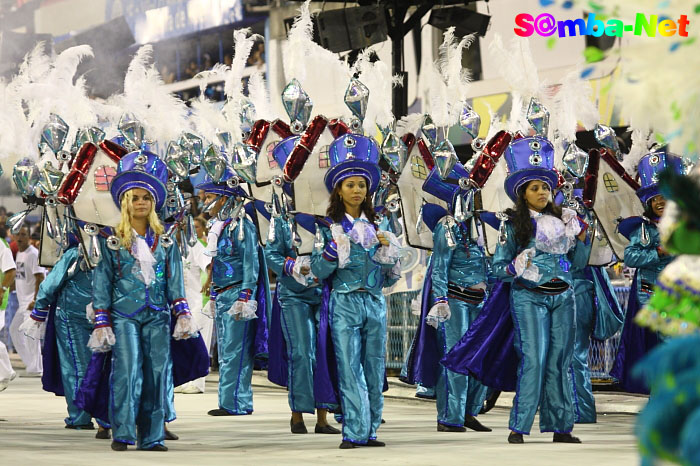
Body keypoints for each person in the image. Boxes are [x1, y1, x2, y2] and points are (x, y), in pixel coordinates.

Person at [87, 151, 196, 451]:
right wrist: (101, 319)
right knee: (128, 369)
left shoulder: (167, 240)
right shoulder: (112, 241)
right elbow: (103, 282)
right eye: (135, 198)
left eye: (146, 197)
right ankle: (122, 431)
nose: (141, 203)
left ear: (154, 202)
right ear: (125, 202)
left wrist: (182, 312)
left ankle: (152, 436)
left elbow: (175, 282)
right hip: (124, 315)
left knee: (158, 374)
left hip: (158, 315)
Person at [491, 136, 588, 444]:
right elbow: (497, 269)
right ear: (523, 193)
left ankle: (562, 427)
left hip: (564, 296)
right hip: (528, 297)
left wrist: (584, 238)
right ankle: (519, 426)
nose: (543, 192)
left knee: (561, 360)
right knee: (534, 358)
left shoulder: (565, 219)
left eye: (546, 187)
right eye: (535, 188)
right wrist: (514, 267)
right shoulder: (511, 224)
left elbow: (578, 264)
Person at [311, 133, 401, 448]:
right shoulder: (329, 228)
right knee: (349, 367)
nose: (357, 190)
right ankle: (353, 430)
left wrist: (388, 257)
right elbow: (318, 272)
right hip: (345, 302)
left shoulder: (379, 228)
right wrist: (332, 253)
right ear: (338, 189)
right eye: (350, 184)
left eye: (362, 184)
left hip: (375, 304)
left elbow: (389, 279)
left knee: (375, 368)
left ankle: (371, 429)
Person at [403, 163, 490, 433]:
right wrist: (440, 300)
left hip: (481, 300)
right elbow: (439, 267)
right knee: (455, 359)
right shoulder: (447, 227)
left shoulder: (485, 225)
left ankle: (469, 412)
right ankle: (450, 417)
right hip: (455, 301)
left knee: (481, 358)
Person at [264, 137, 340, 435]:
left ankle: (323, 418)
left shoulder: (333, 219)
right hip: (293, 295)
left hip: (326, 293)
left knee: (324, 352)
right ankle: (298, 414)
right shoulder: (282, 218)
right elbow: (271, 253)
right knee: (302, 352)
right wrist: (292, 266)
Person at [19, 235, 110, 433]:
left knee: (77, 367)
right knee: (105, 366)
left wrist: (39, 311)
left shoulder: (75, 253)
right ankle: (105, 417)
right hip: (106, 315)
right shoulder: (114, 250)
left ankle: (80, 416)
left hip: (73, 316)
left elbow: (49, 285)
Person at [611, 151, 683, 394]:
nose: (660, 202)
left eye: (665, 196)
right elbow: (630, 256)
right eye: (654, 199)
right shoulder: (644, 229)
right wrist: (659, 253)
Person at [199, 173, 268, 416]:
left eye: (211, 196)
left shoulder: (243, 226)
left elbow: (251, 263)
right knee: (227, 351)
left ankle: (237, 402)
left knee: (236, 351)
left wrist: (245, 296)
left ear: (226, 199)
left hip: (238, 293)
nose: (206, 201)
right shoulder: (221, 227)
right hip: (223, 293)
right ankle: (228, 401)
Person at [175, 215, 212, 394]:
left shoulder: (197, 246)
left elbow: (209, 265)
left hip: (200, 302)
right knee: (186, 342)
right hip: (185, 303)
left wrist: (209, 283)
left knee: (200, 341)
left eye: (196, 227)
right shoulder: (176, 247)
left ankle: (198, 383)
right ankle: (186, 379)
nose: (189, 229)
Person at [9, 225, 45, 376]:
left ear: (29, 237)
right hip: (22, 303)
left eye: (23, 234)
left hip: (31, 302)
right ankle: (30, 363)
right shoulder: (19, 254)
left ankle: (36, 368)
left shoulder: (33, 254)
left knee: (31, 335)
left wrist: (36, 299)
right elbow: (18, 279)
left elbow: (40, 278)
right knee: (14, 331)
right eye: (18, 234)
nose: (20, 238)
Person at [0, 236, 17, 392]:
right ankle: (7, 371)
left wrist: (2, 290)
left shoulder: (1, 245)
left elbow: (11, 271)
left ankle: (6, 372)